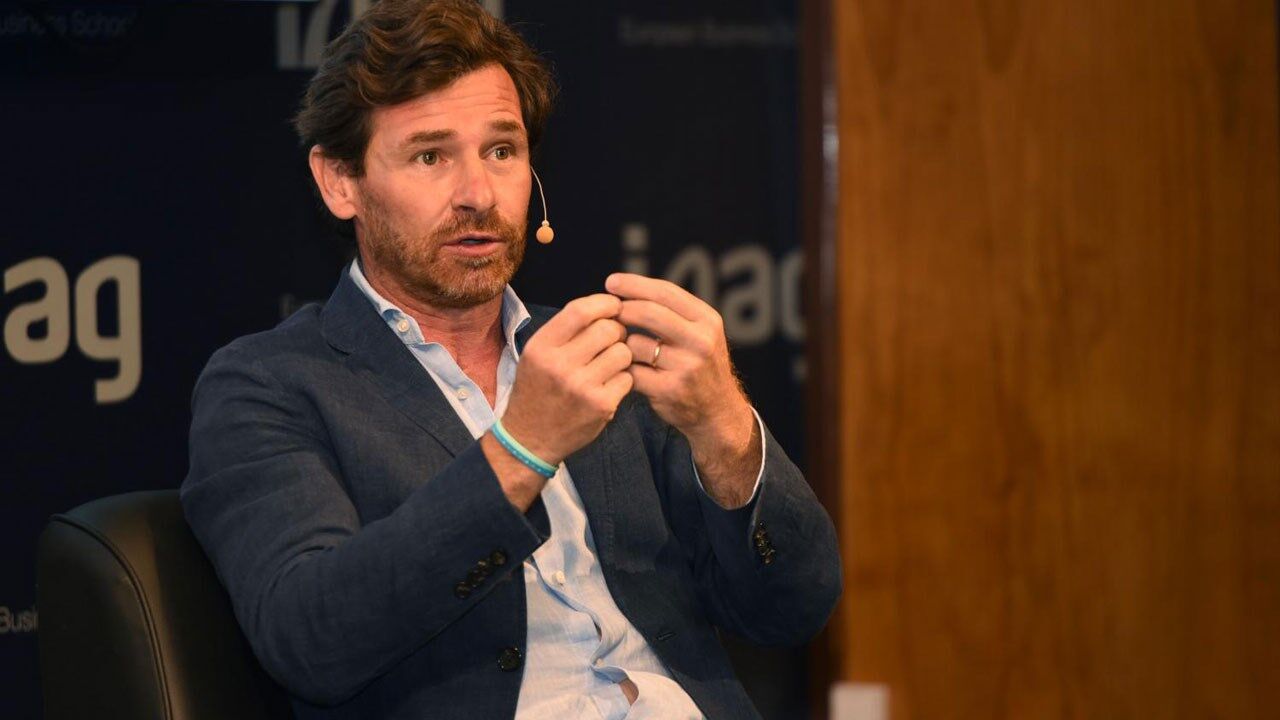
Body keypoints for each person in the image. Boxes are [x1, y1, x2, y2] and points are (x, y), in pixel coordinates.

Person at [181, 1, 841, 718]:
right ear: (341, 182)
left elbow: (793, 607)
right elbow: (312, 641)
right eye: (430, 156)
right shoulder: (270, 386)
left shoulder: (602, 356)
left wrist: (725, 431)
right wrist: (521, 448)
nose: (478, 195)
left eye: (502, 151)